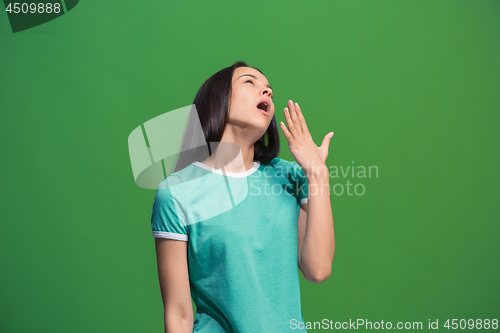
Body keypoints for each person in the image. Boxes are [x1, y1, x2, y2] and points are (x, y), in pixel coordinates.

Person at [151, 61, 335, 332]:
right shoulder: (177, 193)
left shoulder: (291, 176)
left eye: (269, 90)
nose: (267, 92)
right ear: (218, 99)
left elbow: (317, 270)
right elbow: (178, 314)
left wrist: (318, 175)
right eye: (250, 82)